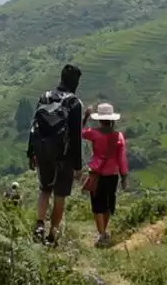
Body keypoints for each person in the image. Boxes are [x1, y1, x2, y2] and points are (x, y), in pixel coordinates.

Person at [27, 64, 83, 245]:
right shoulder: (73, 102)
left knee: (44, 189)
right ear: (75, 82)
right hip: (63, 157)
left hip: (43, 151)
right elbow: (75, 136)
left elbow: (34, 125)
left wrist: (31, 152)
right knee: (60, 196)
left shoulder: (45, 96)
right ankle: (52, 235)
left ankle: (39, 224)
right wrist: (78, 166)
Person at [82, 102, 129, 247]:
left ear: (99, 119)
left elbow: (79, 132)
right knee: (108, 205)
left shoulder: (93, 133)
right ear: (112, 119)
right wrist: (124, 177)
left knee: (97, 205)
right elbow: (122, 159)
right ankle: (104, 232)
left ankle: (102, 234)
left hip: (96, 174)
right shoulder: (119, 136)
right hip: (112, 175)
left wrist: (85, 117)